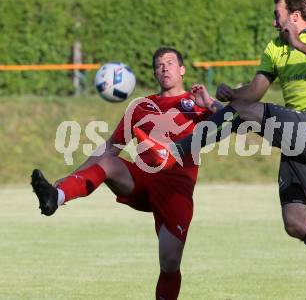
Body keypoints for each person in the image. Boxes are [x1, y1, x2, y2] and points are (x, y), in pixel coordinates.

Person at [142, 0, 306, 300]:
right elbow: (253, 94)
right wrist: (228, 96)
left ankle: (176, 150)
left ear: (295, 16)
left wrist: (297, 43)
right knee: (296, 222)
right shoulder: (275, 47)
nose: (274, 22)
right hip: (295, 142)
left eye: (278, 14)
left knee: (242, 115)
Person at [31, 47, 222, 300]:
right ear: (155, 72)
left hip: (177, 189)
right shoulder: (141, 106)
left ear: (182, 69)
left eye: (170, 63)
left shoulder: (195, 104)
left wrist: (209, 103)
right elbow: (110, 148)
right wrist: (68, 180)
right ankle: (57, 196)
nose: (164, 67)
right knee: (109, 163)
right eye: (159, 64)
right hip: (141, 180)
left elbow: (237, 120)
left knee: (170, 263)